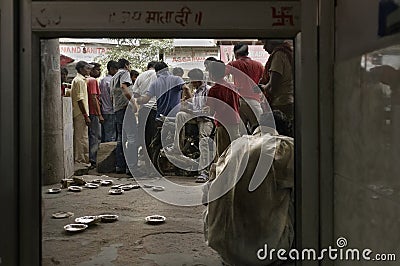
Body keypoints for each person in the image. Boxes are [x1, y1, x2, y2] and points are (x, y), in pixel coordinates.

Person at [204, 110, 294, 266]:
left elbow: (206, 196)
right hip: (264, 251)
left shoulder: (235, 146)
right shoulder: (285, 146)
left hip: (222, 245)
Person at [165, 68, 214, 182]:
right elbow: (196, 107)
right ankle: (177, 146)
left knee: (204, 141)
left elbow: (207, 111)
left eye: (192, 80)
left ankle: (204, 172)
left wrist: (192, 112)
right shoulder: (197, 92)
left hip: (207, 119)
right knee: (180, 115)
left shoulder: (208, 90)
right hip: (197, 117)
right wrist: (186, 105)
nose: (191, 83)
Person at [110, 58, 144, 177]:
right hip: (125, 108)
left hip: (117, 109)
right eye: (129, 65)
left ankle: (120, 165)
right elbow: (124, 87)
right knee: (132, 137)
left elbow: (112, 96)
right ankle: (132, 167)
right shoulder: (124, 73)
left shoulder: (113, 76)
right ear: (126, 65)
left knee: (121, 138)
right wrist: (133, 103)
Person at [226, 43, 264, 135]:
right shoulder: (259, 65)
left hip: (240, 101)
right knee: (259, 131)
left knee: (241, 133)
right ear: (247, 52)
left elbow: (219, 76)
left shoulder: (233, 64)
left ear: (235, 53)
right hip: (255, 102)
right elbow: (264, 81)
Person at [206, 60, 241, 158]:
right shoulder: (233, 87)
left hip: (222, 124)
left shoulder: (214, 90)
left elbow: (211, 111)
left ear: (212, 74)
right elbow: (238, 104)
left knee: (222, 155)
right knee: (234, 153)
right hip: (235, 122)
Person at [131, 61, 158, 173]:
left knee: (145, 138)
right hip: (156, 110)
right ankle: (155, 166)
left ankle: (148, 166)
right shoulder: (159, 75)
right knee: (155, 139)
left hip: (144, 110)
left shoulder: (140, 76)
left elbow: (135, 94)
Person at [259, 39, 294, 122]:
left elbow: (273, 86)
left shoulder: (278, 55)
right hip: (288, 100)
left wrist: (262, 87)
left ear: (271, 42)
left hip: (280, 102)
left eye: (265, 43)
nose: (264, 47)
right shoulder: (288, 53)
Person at [70, 61, 93, 165]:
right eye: (87, 68)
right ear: (81, 69)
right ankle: (80, 160)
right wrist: (85, 115)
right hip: (80, 113)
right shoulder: (79, 81)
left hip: (81, 113)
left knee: (83, 137)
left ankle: (83, 159)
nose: (89, 70)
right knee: (81, 138)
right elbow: (80, 99)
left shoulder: (82, 80)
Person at [86, 62, 104, 169]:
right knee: (96, 136)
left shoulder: (87, 80)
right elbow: (94, 98)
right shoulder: (92, 81)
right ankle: (94, 159)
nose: (99, 72)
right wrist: (99, 114)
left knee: (92, 135)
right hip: (93, 112)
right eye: (97, 69)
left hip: (90, 112)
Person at [99, 60, 118, 142]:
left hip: (104, 110)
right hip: (111, 111)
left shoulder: (102, 80)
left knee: (106, 133)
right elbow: (113, 97)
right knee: (111, 136)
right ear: (111, 69)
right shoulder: (112, 81)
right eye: (116, 69)